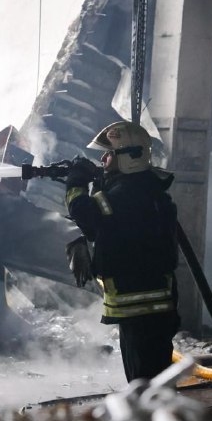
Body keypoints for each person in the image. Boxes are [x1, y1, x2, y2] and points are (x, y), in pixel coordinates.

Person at [64, 121, 180, 382]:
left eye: (108, 153)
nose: (102, 159)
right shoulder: (145, 189)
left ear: (128, 158)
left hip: (140, 307)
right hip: (150, 308)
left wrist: (76, 181)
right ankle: (155, 419)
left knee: (145, 384)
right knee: (151, 380)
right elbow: (108, 229)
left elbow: (83, 210)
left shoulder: (125, 194)